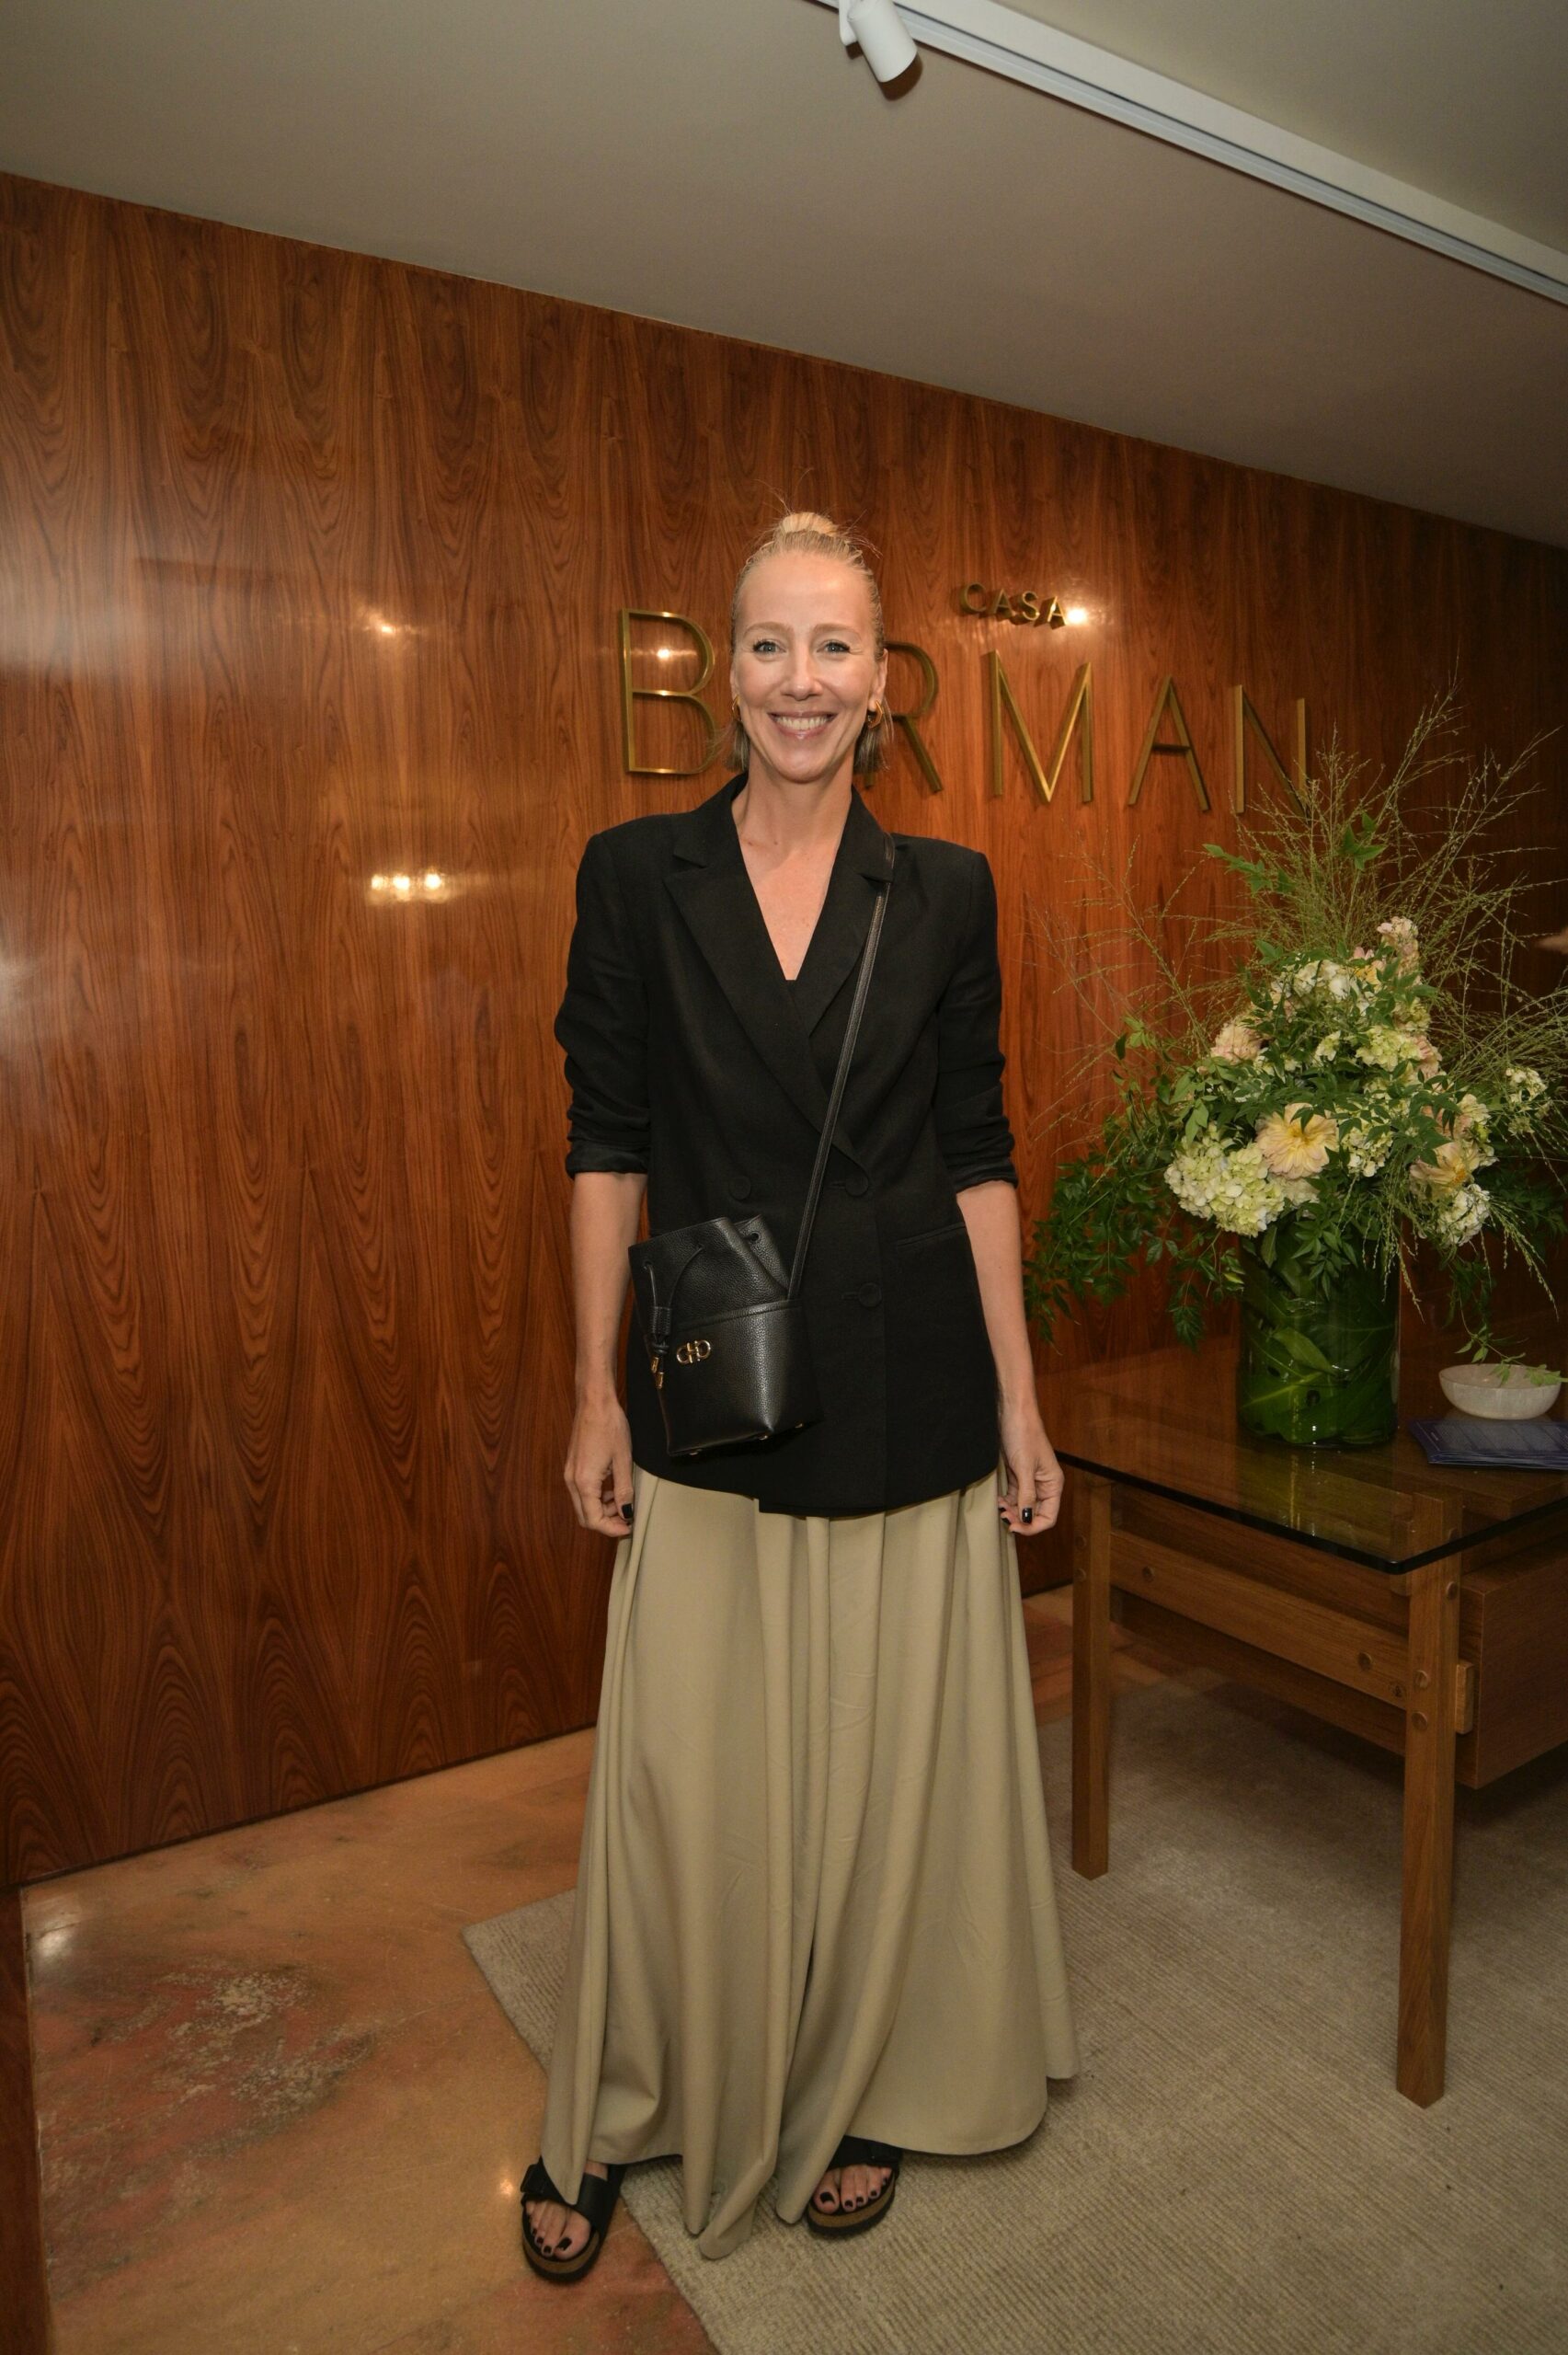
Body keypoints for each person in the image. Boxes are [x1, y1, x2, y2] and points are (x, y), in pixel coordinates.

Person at [521, 511, 1078, 2279]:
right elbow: (604, 1143)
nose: (801, 681)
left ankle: (869, 2075)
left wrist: (1020, 1398)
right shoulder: (636, 872)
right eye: (770, 644)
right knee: (688, 1774)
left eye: (835, 647)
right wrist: (593, 1395)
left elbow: (978, 1150)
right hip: (716, 1376)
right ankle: (632, 2094)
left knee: (882, 1769)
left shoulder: (949, 889)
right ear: (725, 670)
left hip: (911, 1378)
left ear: (883, 678)